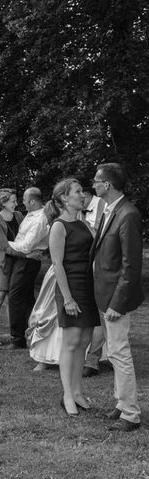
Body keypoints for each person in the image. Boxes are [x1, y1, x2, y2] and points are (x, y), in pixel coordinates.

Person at [91, 163, 144, 432]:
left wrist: (117, 303)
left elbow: (131, 266)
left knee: (120, 353)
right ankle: (122, 404)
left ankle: (131, 414)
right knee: (112, 352)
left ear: (107, 185)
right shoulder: (110, 210)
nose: (93, 185)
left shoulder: (128, 214)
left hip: (115, 299)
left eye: (96, 181)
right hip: (104, 294)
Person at [44, 178, 100, 417]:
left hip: (88, 286)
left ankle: (78, 392)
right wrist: (67, 299)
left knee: (85, 340)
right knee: (71, 341)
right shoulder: (59, 226)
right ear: (65, 198)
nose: (82, 194)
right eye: (78, 191)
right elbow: (57, 265)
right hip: (70, 287)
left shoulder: (85, 224)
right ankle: (67, 394)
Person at [5, 187, 48, 349]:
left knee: (15, 297)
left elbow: (26, 246)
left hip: (28, 261)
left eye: (24, 199)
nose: (22, 202)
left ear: (32, 201)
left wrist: (4, 244)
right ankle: (33, 332)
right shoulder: (30, 215)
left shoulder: (40, 219)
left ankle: (17, 338)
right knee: (27, 298)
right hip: (23, 259)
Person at [0, 188, 23, 345]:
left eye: (16, 200)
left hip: (17, 262)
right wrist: (24, 253)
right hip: (1, 264)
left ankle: (14, 333)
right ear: (3, 202)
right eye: (13, 201)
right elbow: (3, 246)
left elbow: (25, 235)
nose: (17, 203)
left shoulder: (19, 216)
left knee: (13, 299)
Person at [81, 188, 107, 377]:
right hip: (81, 265)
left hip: (99, 265)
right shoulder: (75, 209)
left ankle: (93, 359)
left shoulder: (101, 205)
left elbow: (99, 236)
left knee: (101, 313)